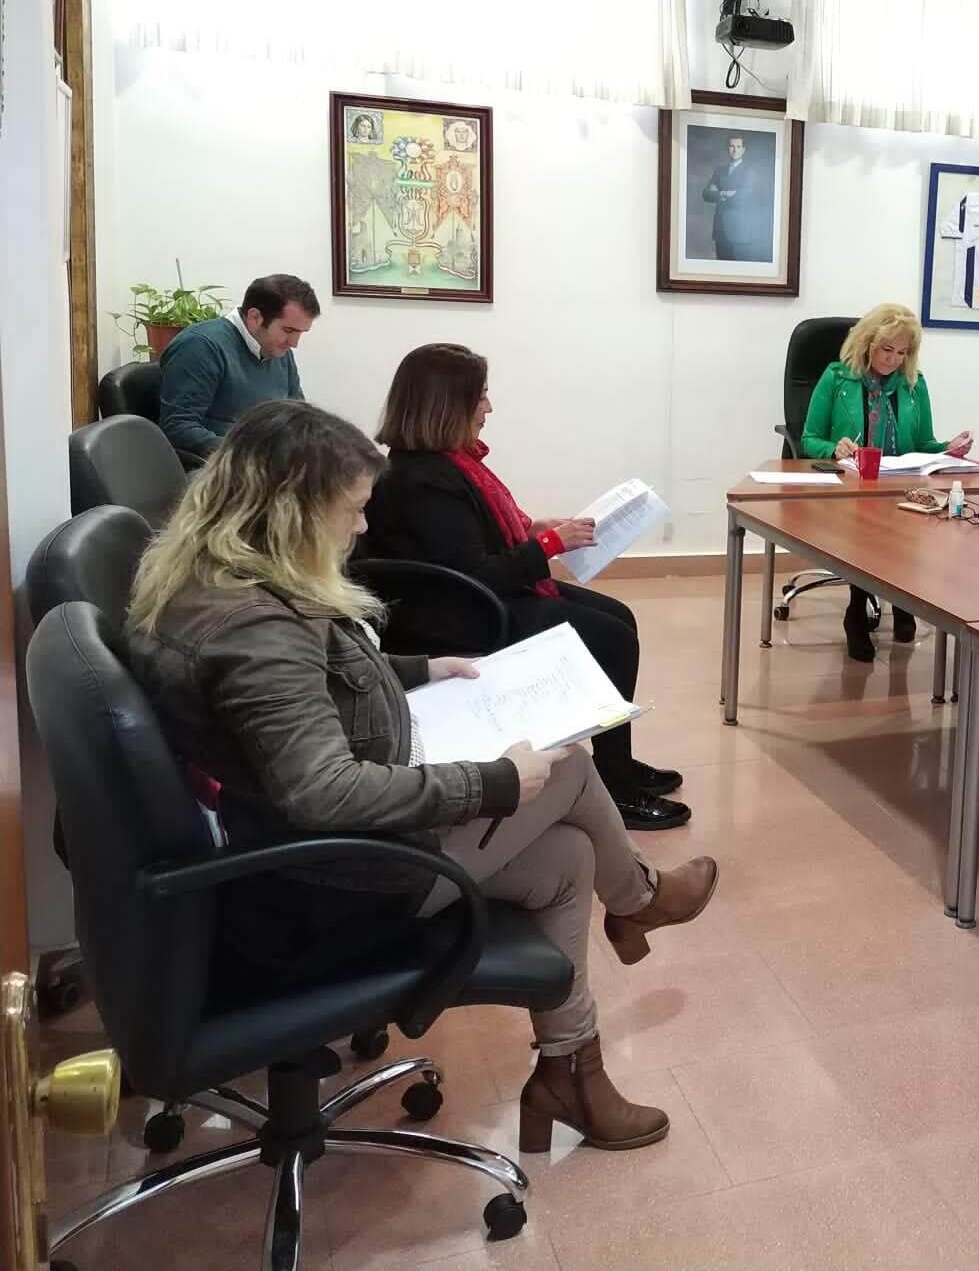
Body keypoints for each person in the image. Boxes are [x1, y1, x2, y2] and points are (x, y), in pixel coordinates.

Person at [126, 401, 718, 1152]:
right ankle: (638, 898)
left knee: (569, 858)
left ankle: (570, 1071)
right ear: (292, 511)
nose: (362, 528)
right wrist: (493, 782)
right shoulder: (256, 629)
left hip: (294, 856)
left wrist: (418, 670)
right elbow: (324, 791)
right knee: (566, 763)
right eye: (352, 510)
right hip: (328, 888)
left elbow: (318, 684)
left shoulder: (224, 580)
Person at [358, 344, 687, 830]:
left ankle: (616, 760)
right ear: (446, 404)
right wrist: (549, 544)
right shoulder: (422, 480)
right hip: (455, 611)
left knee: (618, 617)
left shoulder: (442, 464)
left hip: (467, 595)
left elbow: (472, 539)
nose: (488, 408)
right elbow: (479, 573)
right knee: (610, 637)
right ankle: (616, 783)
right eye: (480, 397)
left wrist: (531, 530)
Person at [799, 304, 975, 662]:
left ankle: (901, 599)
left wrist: (949, 448)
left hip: (900, 485)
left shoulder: (913, 384)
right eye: (886, 349)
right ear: (867, 343)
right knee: (864, 529)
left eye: (902, 353)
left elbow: (924, 444)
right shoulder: (837, 378)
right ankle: (855, 611)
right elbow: (808, 438)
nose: (893, 360)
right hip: (852, 488)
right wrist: (834, 448)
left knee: (909, 526)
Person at [157, 274, 319, 461]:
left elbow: (297, 418)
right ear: (255, 317)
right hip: (221, 467)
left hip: (270, 462)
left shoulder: (277, 349)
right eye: (288, 330)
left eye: (301, 333)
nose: (294, 343)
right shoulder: (200, 346)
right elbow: (178, 428)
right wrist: (253, 456)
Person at [702, 134, 767, 262]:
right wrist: (724, 193)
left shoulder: (749, 171)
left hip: (740, 232)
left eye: (738, 146)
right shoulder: (719, 171)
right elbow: (706, 194)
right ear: (727, 149)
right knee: (721, 269)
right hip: (721, 231)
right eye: (732, 146)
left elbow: (743, 198)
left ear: (743, 150)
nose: (735, 150)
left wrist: (720, 192)